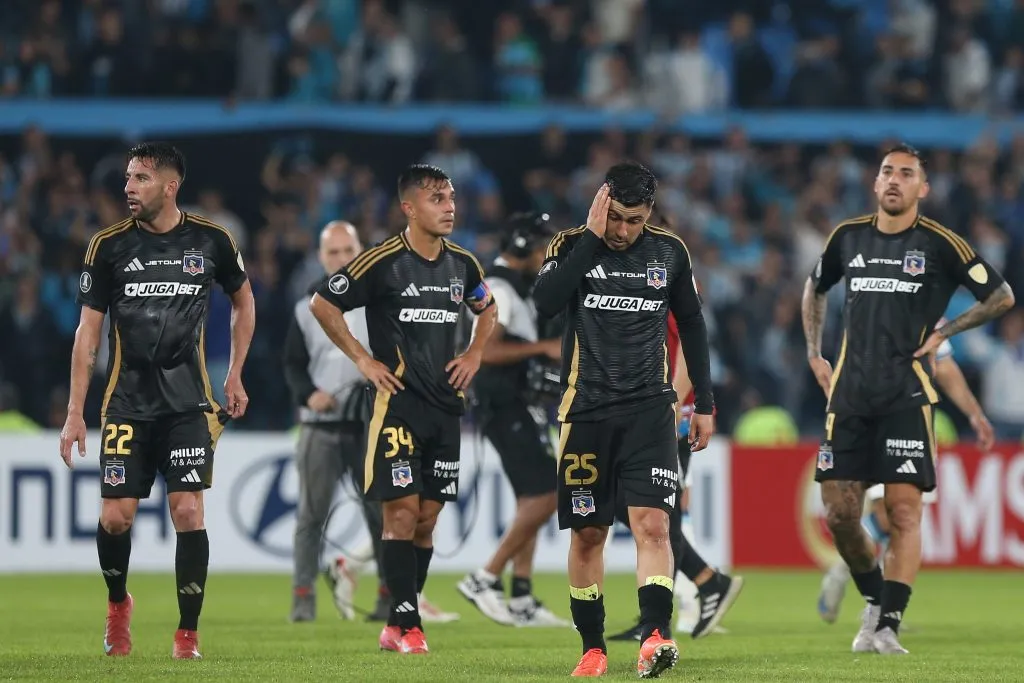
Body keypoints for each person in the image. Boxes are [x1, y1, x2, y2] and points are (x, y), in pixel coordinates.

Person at [802, 143, 1014, 655]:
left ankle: (887, 625)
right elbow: (815, 287)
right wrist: (813, 351)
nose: (894, 180)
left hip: (907, 396)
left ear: (923, 188)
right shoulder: (847, 237)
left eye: (906, 173)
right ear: (876, 183)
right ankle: (875, 598)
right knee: (840, 515)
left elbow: (1001, 296)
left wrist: (946, 332)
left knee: (903, 513)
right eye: (887, 172)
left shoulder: (941, 244)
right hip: (849, 398)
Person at [58, 142, 255, 659]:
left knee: (188, 511)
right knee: (116, 518)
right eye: (128, 177)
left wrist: (235, 373)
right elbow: (87, 333)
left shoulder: (212, 240)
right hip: (126, 403)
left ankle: (187, 634)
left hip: (189, 405)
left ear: (171, 186)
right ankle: (118, 604)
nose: (128, 187)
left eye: (140, 178)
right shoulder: (107, 245)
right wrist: (75, 412)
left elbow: (244, 298)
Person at [533, 162, 716, 678]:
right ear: (600, 203)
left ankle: (654, 636)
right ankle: (592, 648)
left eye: (634, 220)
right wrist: (591, 239)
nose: (622, 230)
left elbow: (693, 325)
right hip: (585, 413)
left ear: (649, 213)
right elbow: (545, 302)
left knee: (654, 526)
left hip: (650, 413)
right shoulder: (571, 244)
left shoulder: (670, 252)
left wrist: (704, 402)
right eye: (614, 217)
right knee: (588, 534)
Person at [310, 164, 498, 655]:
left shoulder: (464, 265)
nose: (450, 207)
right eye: (438, 199)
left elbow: (489, 308)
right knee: (401, 513)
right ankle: (410, 625)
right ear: (409, 208)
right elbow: (323, 304)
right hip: (396, 406)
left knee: (427, 520)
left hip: (445, 409)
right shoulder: (382, 262)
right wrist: (363, 360)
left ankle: (396, 622)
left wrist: (475, 353)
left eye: (451, 197)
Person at [817, 330, 995, 622]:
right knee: (882, 518)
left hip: (908, 419)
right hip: (871, 417)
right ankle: (847, 574)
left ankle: (880, 609)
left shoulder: (926, 314)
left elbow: (944, 365)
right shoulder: (877, 308)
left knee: (901, 519)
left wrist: (975, 414)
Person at [456, 211, 569, 627]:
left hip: (516, 404)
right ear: (523, 246)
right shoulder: (499, 288)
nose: (546, 256)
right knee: (548, 493)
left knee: (532, 499)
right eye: (542, 248)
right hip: (503, 404)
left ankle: (521, 596)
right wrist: (542, 349)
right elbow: (486, 351)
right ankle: (485, 577)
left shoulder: (512, 286)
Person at [610, 310, 743, 642]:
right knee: (635, 504)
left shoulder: (672, 280)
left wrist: (672, 407)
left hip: (673, 414)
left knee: (659, 511)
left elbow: (689, 341)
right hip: (653, 409)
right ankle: (703, 584)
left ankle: (661, 618)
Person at [283, 220, 386, 622]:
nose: (341, 258)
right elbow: (293, 365)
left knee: (380, 514)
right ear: (321, 257)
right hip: (320, 425)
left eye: (348, 251)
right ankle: (303, 602)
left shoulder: (378, 300)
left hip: (369, 424)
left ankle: (389, 599)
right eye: (333, 252)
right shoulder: (306, 308)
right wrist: (309, 394)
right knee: (311, 517)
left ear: (361, 252)